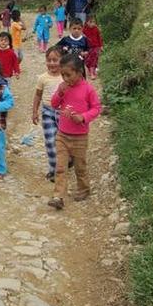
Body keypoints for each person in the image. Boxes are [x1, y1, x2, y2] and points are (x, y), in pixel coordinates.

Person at [48, 54, 101, 210]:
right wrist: (60, 93)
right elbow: (54, 104)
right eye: (62, 75)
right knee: (60, 167)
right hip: (62, 134)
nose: (65, 78)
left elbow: (96, 108)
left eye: (68, 75)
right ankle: (58, 196)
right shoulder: (63, 87)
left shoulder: (88, 89)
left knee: (80, 166)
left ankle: (84, 189)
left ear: (79, 72)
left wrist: (83, 117)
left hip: (80, 137)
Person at [32, 46, 64, 181]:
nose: (52, 63)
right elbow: (38, 95)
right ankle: (53, 169)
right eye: (49, 60)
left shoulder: (66, 77)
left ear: (62, 60)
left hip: (64, 113)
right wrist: (34, 112)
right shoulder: (42, 78)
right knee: (50, 141)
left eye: (55, 60)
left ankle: (68, 161)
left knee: (63, 141)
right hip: (47, 111)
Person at [83, 15, 103, 80]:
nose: (92, 24)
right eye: (90, 22)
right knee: (88, 61)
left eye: (94, 22)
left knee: (94, 59)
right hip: (88, 48)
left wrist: (101, 46)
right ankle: (91, 70)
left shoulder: (96, 29)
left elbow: (99, 38)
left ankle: (92, 73)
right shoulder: (84, 30)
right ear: (87, 22)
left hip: (96, 47)